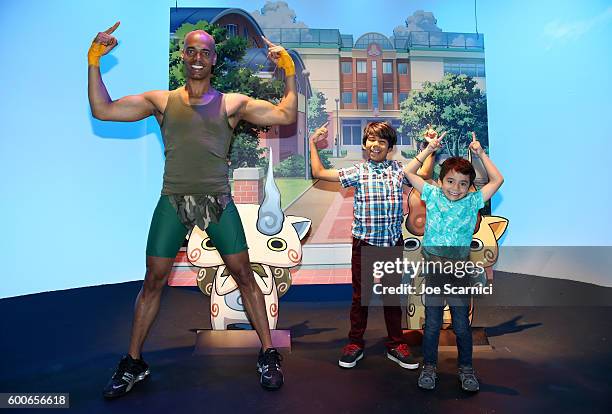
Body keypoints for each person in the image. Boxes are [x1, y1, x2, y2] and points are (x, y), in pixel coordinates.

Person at [88, 22, 297, 397]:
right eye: (191, 51)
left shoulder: (233, 103)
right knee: (153, 281)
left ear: (213, 59)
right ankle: (134, 363)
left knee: (244, 276)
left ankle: (268, 352)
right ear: (183, 56)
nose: (197, 57)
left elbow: (285, 115)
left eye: (205, 52)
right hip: (173, 201)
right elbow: (103, 110)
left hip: (215, 202)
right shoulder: (162, 101)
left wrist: (289, 71)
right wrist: (94, 63)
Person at [309, 121, 421, 370]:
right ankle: (355, 344)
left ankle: (396, 344)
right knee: (361, 298)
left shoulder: (399, 170)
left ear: (390, 147)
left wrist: (429, 148)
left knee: (392, 298)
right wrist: (312, 144)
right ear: (364, 144)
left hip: (392, 243)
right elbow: (319, 173)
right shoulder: (357, 171)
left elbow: (422, 176)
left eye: (382, 141)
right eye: (371, 139)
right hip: (364, 244)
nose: (375, 144)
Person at [404, 130, 504, 392]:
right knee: (433, 323)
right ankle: (429, 367)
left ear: (470, 186)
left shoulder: (473, 201)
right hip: (435, 270)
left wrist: (481, 154)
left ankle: (467, 369)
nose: (455, 188)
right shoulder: (433, 196)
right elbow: (409, 172)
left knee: (461, 325)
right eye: (450, 181)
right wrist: (429, 148)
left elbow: (498, 179)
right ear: (440, 181)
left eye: (462, 183)